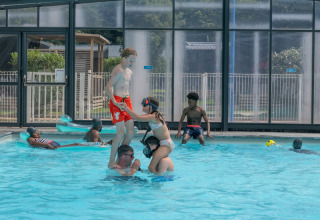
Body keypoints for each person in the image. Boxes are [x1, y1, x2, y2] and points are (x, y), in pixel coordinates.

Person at [123, 96, 174, 174]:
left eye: (145, 104)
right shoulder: (153, 116)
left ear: (151, 106)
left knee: (151, 167)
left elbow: (137, 117)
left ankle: (155, 183)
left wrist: (126, 108)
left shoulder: (153, 116)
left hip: (166, 144)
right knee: (155, 166)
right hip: (164, 143)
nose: (143, 105)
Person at [106, 47, 137, 169]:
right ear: (124, 58)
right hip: (117, 102)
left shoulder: (129, 72)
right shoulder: (117, 70)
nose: (132, 63)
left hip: (127, 102)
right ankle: (111, 161)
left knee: (130, 132)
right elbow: (108, 86)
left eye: (134, 61)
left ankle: (120, 159)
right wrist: (114, 101)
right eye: (131, 60)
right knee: (120, 133)